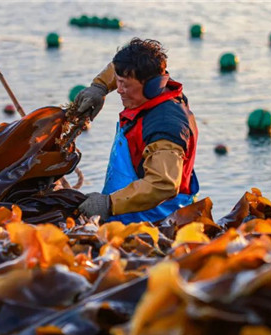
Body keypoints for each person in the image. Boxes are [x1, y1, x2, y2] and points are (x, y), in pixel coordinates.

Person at [74, 38, 200, 224]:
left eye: (125, 85)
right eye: (118, 82)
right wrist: (99, 87)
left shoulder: (164, 125)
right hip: (123, 212)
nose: (119, 90)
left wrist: (109, 204)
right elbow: (119, 68)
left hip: (156, 221)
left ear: (152, 85)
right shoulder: (153, 83)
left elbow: (163, 184)